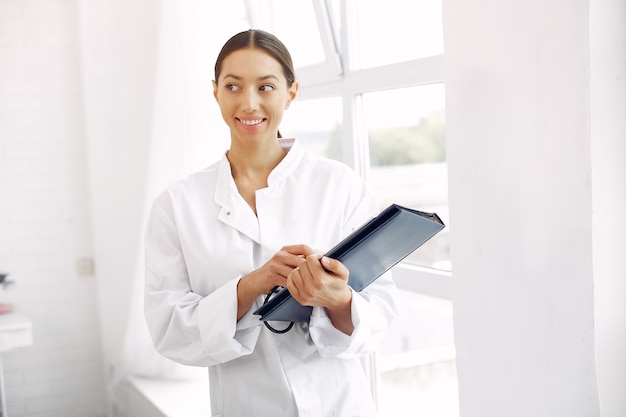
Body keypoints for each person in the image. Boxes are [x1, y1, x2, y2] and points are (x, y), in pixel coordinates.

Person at [144, 29, 398, 417]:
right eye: (233, 86)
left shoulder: (340, 185)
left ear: (290, 93)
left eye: (265, 87)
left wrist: (337, 299)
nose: (249, 103)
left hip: (340, 404)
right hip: (247, 404)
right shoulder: (176, 206)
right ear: (216, 92)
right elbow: (169, 331)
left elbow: (381, 315)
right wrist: (250, 287)